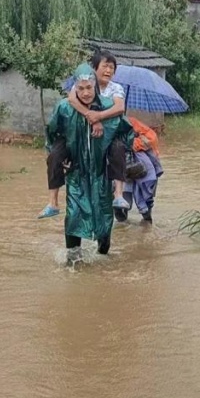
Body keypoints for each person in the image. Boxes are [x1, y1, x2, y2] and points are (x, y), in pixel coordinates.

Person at [45, 63, 134, 262]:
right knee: (74, 215)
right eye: (81, 88)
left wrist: (114, 154)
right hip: (76, 173)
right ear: (74, 88)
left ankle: (103, 258)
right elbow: (52, 133)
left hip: (101, 175)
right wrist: (62, 157)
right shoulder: (65, 108)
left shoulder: (108, 106)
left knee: (103, 217)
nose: (85, 93)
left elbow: (126, 130)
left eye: (89, 88)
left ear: (95, 86)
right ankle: (73, 259)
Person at [38, 50, 129, 219]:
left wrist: (99, 116)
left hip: (104, 138)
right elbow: (71, 101)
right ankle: (53, 202)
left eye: (112, 68)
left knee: (118, 148)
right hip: (77, 138)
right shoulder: (76, 91)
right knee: (55, 156)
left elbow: (119, 108)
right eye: (105, 66)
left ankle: (118, 195)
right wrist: (92, 118)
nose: (108, 70)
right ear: (94, 69)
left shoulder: (114, 90)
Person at [116, 116, 163, 224]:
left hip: (142, 166)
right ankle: (124, 226)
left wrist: (132, 142)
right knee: (122, 199)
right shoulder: (106, 125)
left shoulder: (132, 122)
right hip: (121, 167)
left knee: (146, 198)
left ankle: (145, 222)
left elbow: (151, 139)